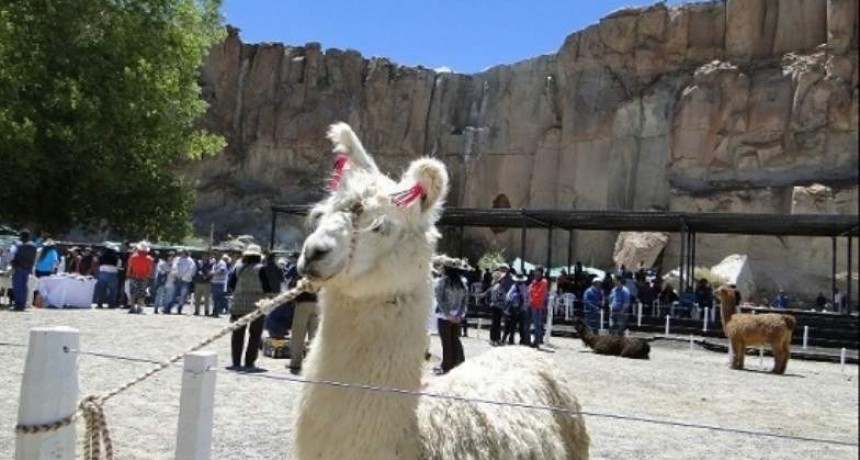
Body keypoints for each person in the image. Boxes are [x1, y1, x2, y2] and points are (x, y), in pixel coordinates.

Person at [226, 244, 269, 372]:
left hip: (238, 303)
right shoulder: (262, 269)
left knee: (237, 334)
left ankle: (236, 361)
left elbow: (231, 284)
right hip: (257, 305)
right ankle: (249, 362)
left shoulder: (237, 268)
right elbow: (268, 287)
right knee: (255, 335)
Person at [434, 256, 468, 375]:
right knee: (455, 340)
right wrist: (459, 315)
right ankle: (458, 363)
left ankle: (446, 366)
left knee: (446, 342)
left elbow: (440, 299)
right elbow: (465, 300)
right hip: (457, 316)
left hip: (444, 316)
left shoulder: (442, 282)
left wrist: (448, 314)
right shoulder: (462, 283)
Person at [289, 265, 320, 375]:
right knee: (314, 335)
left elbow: (292, 287)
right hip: (317, 304)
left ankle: (295, 363)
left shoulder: (301, 273)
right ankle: (312, 363)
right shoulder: (320, 273)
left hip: (302, 304)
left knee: (298, 335)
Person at [10, 230, 37, 311]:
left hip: (19, 268)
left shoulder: (22, 246)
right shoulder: (34, 246)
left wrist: (13, 262)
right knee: (24, 286)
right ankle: (23, 303)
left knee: (18, 286)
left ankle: (18, 304)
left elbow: (17, 257)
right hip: (28, 268)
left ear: (22, 236)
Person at [127, 243, 154, 314]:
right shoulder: (149, 259)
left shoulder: (133, 257)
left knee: (133, 293)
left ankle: (132, 308)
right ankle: (139, 308)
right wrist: (149, 276)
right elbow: (150, 270)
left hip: (134, 276)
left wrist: (128, 275)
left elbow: (129, 267)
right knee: (141, 294)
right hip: (144, 278)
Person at [503, 272, 528, 345]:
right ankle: (522, 340)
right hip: (522, 309)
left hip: (514, 309)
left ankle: (511, 340)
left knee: (513, 326)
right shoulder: (525, 287)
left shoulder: (513, 286)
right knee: (521, 326)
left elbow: (508, 297)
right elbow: (527, 299)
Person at [527, 266, 549, 347]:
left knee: (537, 324)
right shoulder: (534, 281)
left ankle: (537, 341)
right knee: (531, 323)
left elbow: (540, 294)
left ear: (540, 272)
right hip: (531, 304)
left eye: (537, 271)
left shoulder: (544, 282)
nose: (535, 273)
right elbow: (529, 291)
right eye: (535, 271)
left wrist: (532, 300)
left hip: (537, 306)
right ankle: (530, 340)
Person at [94, 245, 120, 309]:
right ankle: (111, 304)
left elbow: (98, 263)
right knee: (112, 290)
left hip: (102, 273)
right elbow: (119, 266)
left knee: (102, 289)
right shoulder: (116, 258)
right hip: (112, 274)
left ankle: (99, 304)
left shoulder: (101, 256)